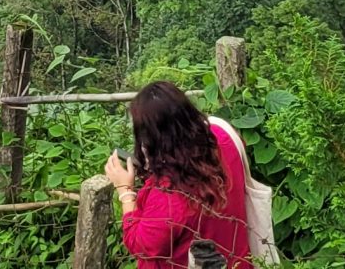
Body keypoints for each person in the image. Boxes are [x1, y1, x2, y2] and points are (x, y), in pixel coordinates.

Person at [106, 81, 252, 269]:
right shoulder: (222, 135)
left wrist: (125, 190)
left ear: (151, 136)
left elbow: (141, 244)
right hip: (235, 260)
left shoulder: (171, 190)